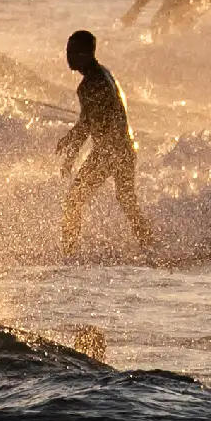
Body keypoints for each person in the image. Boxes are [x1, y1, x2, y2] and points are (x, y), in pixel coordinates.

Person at [56, 30, 153, 261]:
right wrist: (71, 139)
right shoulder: (105, 74)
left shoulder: (90, 84)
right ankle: (150, 245)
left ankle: (68, 255)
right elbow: (90, 119)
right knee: (127, 201)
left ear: (85, 54)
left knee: (73, 201)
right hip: (126, 148)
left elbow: (88, 124)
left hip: (109, 152)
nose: (67, 56)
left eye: (72, 52)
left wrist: (70, 155)